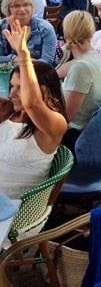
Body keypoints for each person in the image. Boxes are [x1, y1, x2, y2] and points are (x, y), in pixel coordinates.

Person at [0, 17, 67, 199]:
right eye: (12, 86)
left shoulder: (55, 123)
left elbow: (32, 104)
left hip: (16, 209)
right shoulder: (9, 111)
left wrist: (23, 55)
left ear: (44, 90)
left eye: (21, 88)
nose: (13, 93)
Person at [56, 11, 101, 149]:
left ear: (66, 34)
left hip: (77, 134)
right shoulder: (93, 55)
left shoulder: (81, 67)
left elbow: (67, 117)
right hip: (91, 125)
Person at [0, 0, 57, 65]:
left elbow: (47, 61)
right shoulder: (2, 26)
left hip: (37, 71)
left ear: (31, 7)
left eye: (26, 5)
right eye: (16, 6)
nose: (22, 9)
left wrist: (24, 60)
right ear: (8, 9)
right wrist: (13, 59)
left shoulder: (45, 28)